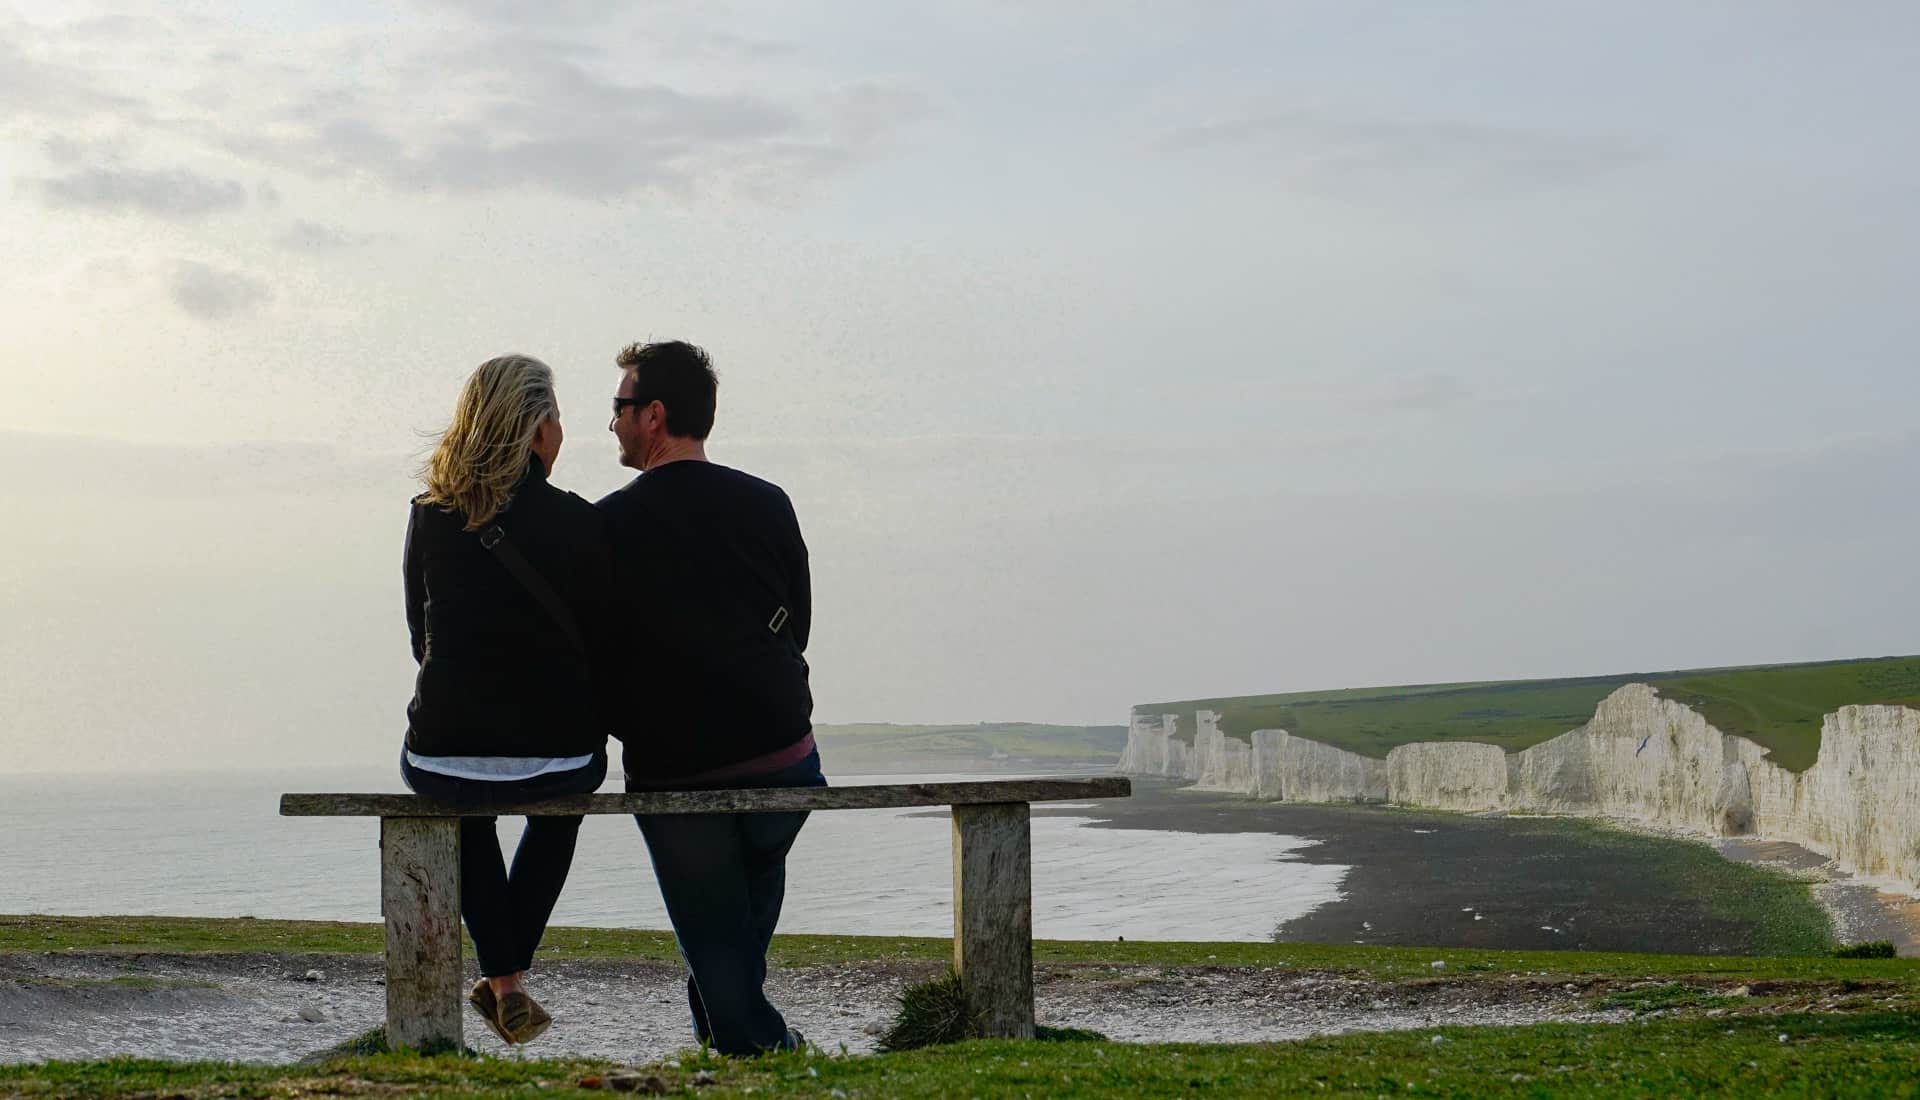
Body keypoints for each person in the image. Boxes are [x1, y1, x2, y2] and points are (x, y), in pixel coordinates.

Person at [597, 340, 821, 1056]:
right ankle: (730, 1047)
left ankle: (765, 1048)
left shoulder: (607, 524)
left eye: (620, 408)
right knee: (733, 930)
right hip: (786, 754)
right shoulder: (768, 502)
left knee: (717, 940)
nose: (613, 424)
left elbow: (595, 650)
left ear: (655, 416)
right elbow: (800, 623)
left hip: (678, 768)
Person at [400, 353, 612, 1046]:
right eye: (554, 417)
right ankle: (506, 981)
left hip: (444, 749)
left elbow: (418, 636)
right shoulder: (579, 522)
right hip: (561, 752)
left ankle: (506, 984)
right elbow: (599, 643)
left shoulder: (429, 517)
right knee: (559, 813)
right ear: (538, 430)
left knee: (469, 811)